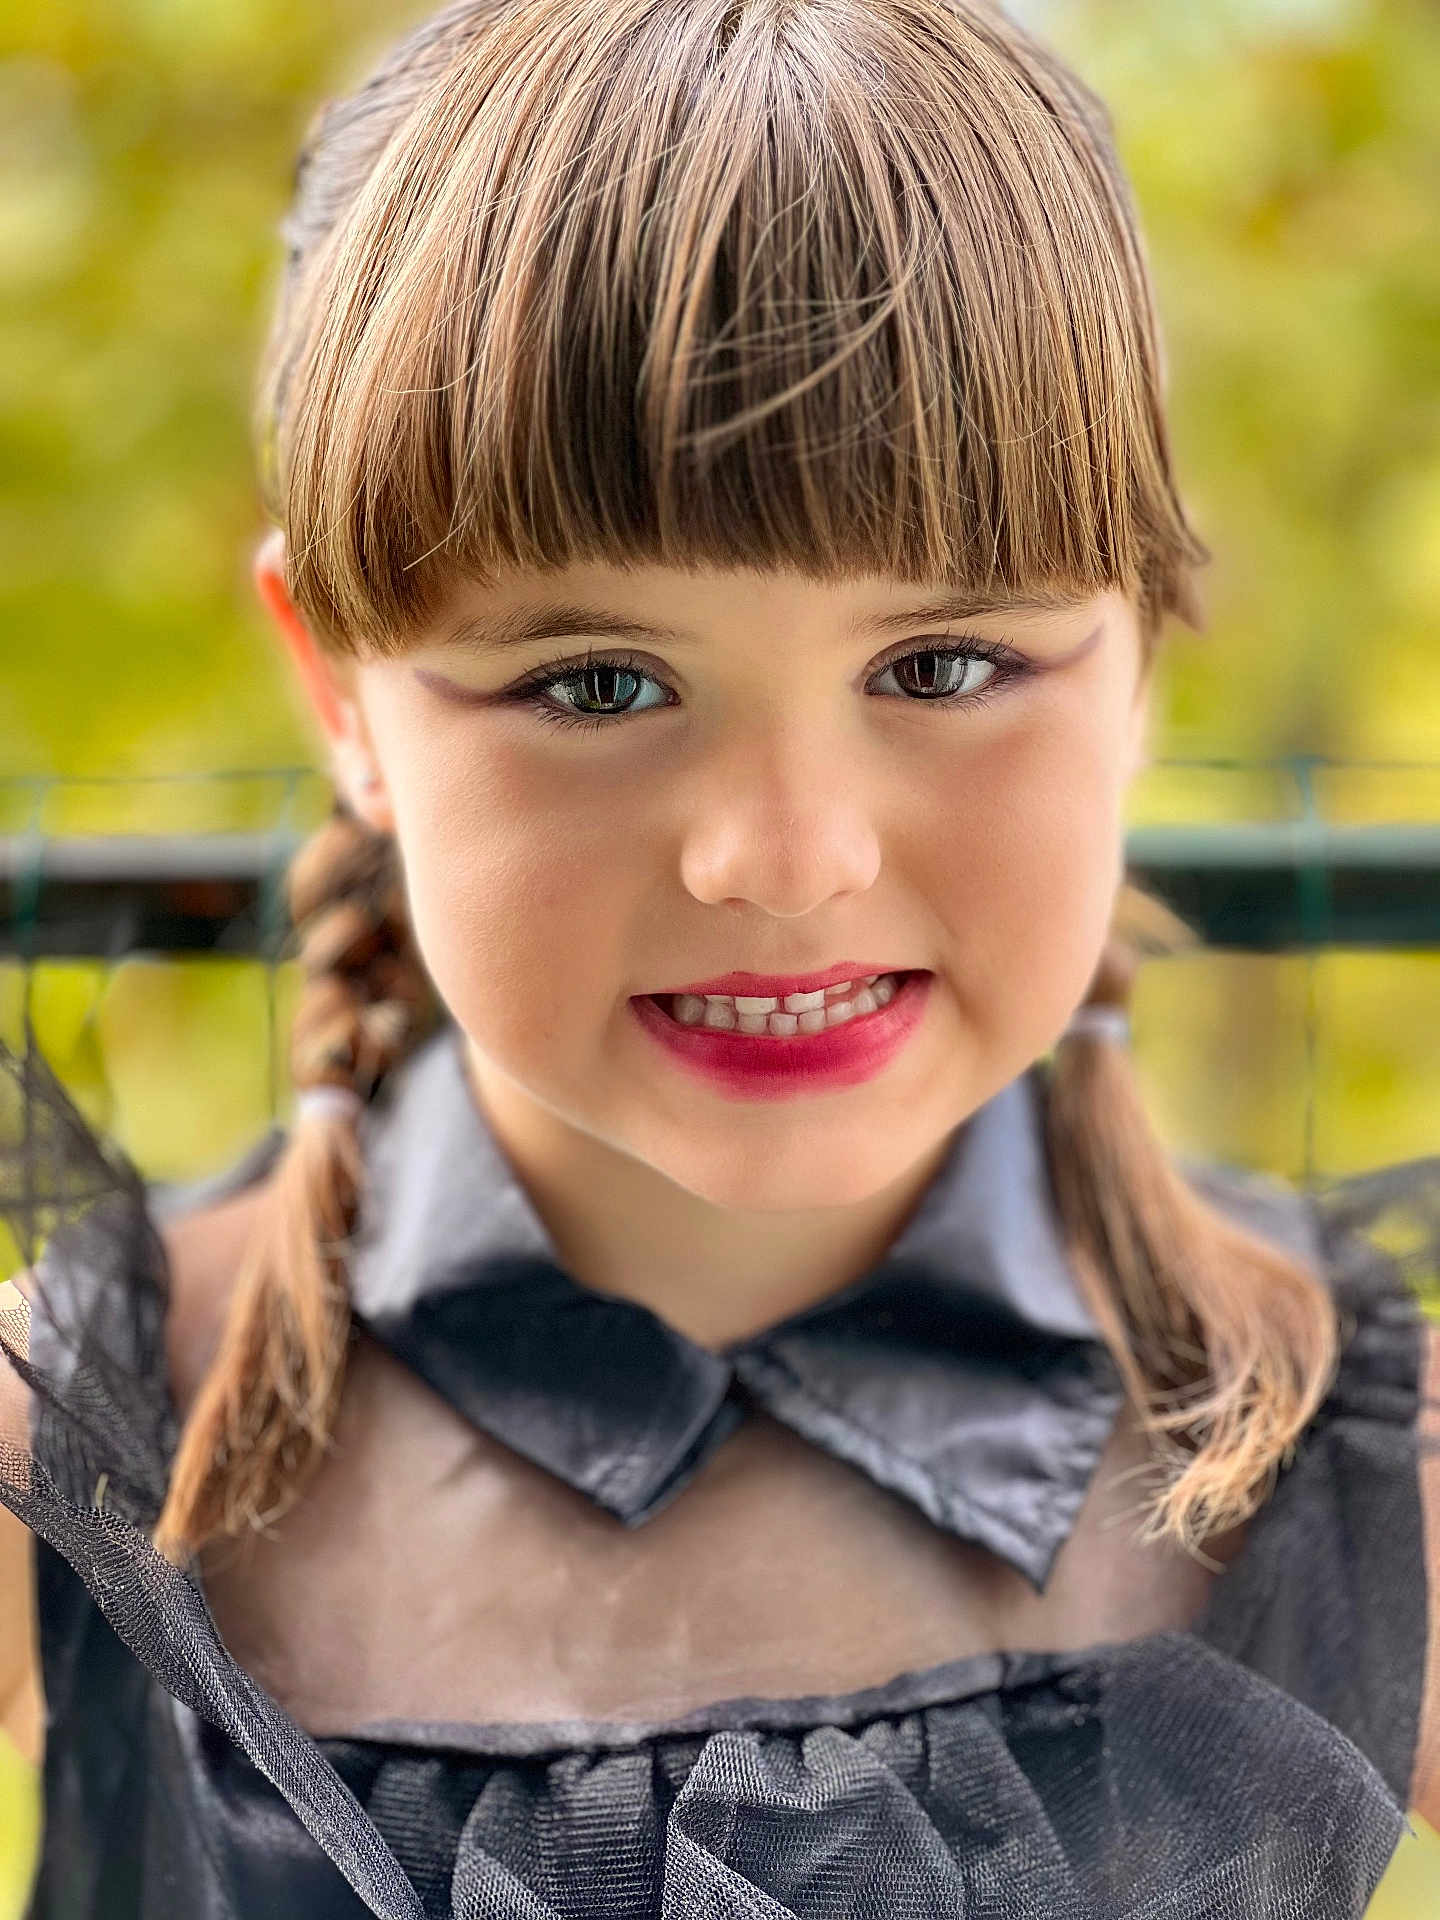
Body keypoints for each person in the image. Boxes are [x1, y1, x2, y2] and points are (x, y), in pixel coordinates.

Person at [1, 2, 1438, 1914]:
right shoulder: (72, 1454)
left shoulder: (1378, 1476)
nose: (786, 857)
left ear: (1144, 653)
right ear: (339, 692)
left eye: (940, 667)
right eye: (599, 683)